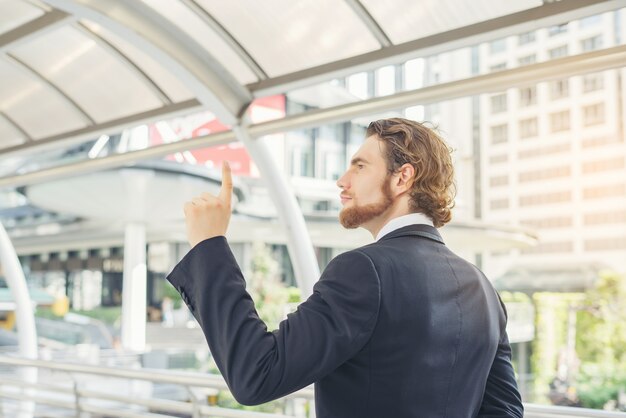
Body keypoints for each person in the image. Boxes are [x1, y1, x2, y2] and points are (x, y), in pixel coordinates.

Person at [167, 118, 524, 417]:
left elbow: (256, 373)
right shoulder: (483, 289)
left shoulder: (364, 271)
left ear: (402, 178)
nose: (342, 180)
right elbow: (505, 411)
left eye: (360, 165)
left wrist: (208, 245)